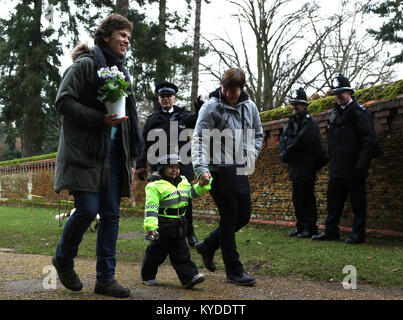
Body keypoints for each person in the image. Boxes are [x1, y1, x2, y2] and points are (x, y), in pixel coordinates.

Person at [52, 14, 142, 298]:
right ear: (105, 36)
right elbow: (63, 100)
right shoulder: (86, 65)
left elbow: (131, 119)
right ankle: (63, 258)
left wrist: (137, 154)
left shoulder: (123, 73)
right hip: (85, 153)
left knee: (112, 216)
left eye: (129, 36)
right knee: (89, 209)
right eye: (122, 35)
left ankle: (105, 279)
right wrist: (99, 118)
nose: (127, 40)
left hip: (115, 156)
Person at [191, 67, 263, 286]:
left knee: (244, 216)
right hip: (216, 170)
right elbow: (199, 140)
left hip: (239, 169)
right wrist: (201, 168)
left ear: (242, 88)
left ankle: (208, 245)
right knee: (230, 215)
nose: (231, 93)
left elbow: (258, 135)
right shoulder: (210, 108)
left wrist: (250, 156)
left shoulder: (250, 107)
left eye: (235, 90)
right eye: (227, 89)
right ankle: (234, 270)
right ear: (222, 87)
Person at [312, 74, 378, 244]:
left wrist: (361, 165)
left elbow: (369, 141)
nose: (338, 96)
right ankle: (331, 231)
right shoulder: (335, 113)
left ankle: (358, 233)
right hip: (337, 167)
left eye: (341, 92)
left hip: (354, 167)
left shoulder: (359, 113)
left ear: (349, 92)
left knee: (357, 203)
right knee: (333, 201)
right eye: (335, 93)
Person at [135, 82, 200, 248]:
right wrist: (141, 164)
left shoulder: (184, 115)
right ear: (159, 99)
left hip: (182, 164)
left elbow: (200, 123)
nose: (166, 99)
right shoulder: (153, 120)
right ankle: (155, 231)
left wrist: (200, 111)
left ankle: (189, 232)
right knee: (157, 200)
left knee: (185, 200)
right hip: (160, 166)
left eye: (169, 96)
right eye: (163, 97)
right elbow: (144, 144)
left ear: (174, 98)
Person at [141, 154, 211, 288]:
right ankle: (147, 276)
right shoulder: (154, 186)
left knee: (182, 252)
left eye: (177, 167)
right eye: (171, 167)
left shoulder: (183, 182)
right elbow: (151, 207)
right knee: (155, 254)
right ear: (162, 169)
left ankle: (189, 278)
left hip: (180, 224)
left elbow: (192, 193)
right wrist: (151, 226)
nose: (175, 170)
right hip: (162, 225)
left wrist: (202, 185)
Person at [279, 88, 329, 238]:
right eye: (293, 104)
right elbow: (284, 138)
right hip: (295, 166)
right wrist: (283, 152)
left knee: (307, 197)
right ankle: (300, 225)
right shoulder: (291, 122)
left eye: (298, 104)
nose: (295, 107)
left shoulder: (310, 122)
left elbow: (301, 141)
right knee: (297, 197)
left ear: (304, 105)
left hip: (306, 166)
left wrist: (286, 152)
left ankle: (310, 227)